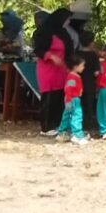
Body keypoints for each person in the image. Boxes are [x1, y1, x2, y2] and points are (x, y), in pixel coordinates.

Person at [33, 8, 73, 136]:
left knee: (59, 97)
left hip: (62, 69)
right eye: (67, 19)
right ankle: (46, 127)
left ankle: (57, 124)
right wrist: (51, 56)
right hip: (48, 69)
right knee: (49, 97)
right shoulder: (44, 32)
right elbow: (38, 49)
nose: (68, 22)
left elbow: (69, 50)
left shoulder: (64, 33)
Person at [58, 54, 89, 145]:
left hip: (71, 99)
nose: (83, 67)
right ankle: (77, 135)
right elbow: (69, 89)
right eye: (82, 65)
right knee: (77, 116)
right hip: (73, 99)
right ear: (75, 66)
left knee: (67, 116)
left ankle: (62, 133)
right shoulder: (73, 77)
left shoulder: (72, 76)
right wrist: (68, 101)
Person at [78, 30, 101, 132]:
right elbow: (97, 72)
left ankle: (78, 124)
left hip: (77, 84)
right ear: (92, 43)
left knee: (78, 105)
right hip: (90, 84)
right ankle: (88, 126)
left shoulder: (76, 54)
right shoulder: (94, 56)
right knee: (89, 105)